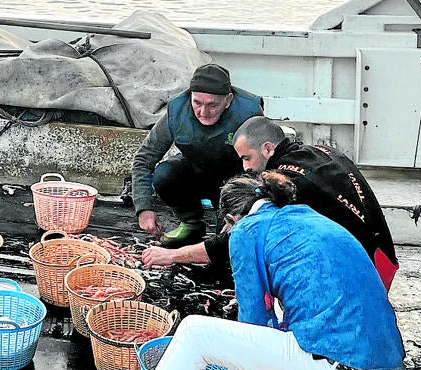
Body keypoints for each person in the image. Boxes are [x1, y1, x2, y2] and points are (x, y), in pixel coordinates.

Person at [96, 171, 404, 370]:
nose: (229, 235)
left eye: (226, 229)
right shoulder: (306, 216)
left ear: (232, 218)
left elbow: (253, 320)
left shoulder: (247, 230)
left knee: (194, 333)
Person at [141, 115, 398, 289]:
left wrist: (173, 255)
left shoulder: (283, 181)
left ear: (267, 149)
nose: (244, 167)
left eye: (246, 158)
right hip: (384, 259)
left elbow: (237, 239)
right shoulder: (320, 152)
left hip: (362, 276)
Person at [131, 63, 263, 247]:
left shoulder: (249, 113)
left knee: (225, 244)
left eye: (212, 105)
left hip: (232, 181)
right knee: (164, 175)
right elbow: (144, 159)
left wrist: (241, 213)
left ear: (228, 100)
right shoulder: (176, 111)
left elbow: (262, 166)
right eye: (197, 103)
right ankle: (191, 223)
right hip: (195, 170)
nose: (203, 112)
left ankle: (226, 223)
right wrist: (143, 208)